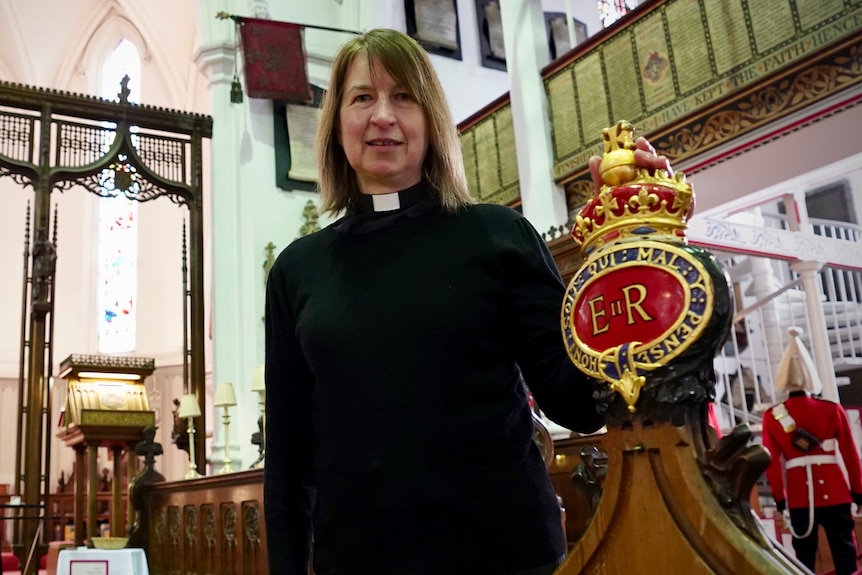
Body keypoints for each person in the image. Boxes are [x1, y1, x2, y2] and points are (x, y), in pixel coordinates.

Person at [264, 28, 675, 575]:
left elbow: (574, 400)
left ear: (431, 121)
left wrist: (628, 248)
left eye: (404, 96)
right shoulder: (298, 269)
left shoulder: (498, 235)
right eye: (363, 97)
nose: (383, 115)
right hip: (361, 560)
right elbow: (289, 462)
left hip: (505, 554)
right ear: (337, 123)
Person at [762, 327, 862, 575]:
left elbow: (773, 463)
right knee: (845, 553)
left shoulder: (773, 416)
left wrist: (780, 498)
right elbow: (850, 454)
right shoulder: (830, 409)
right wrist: (858, 491)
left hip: (798, 496)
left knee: (804, 557)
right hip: (836, 492)